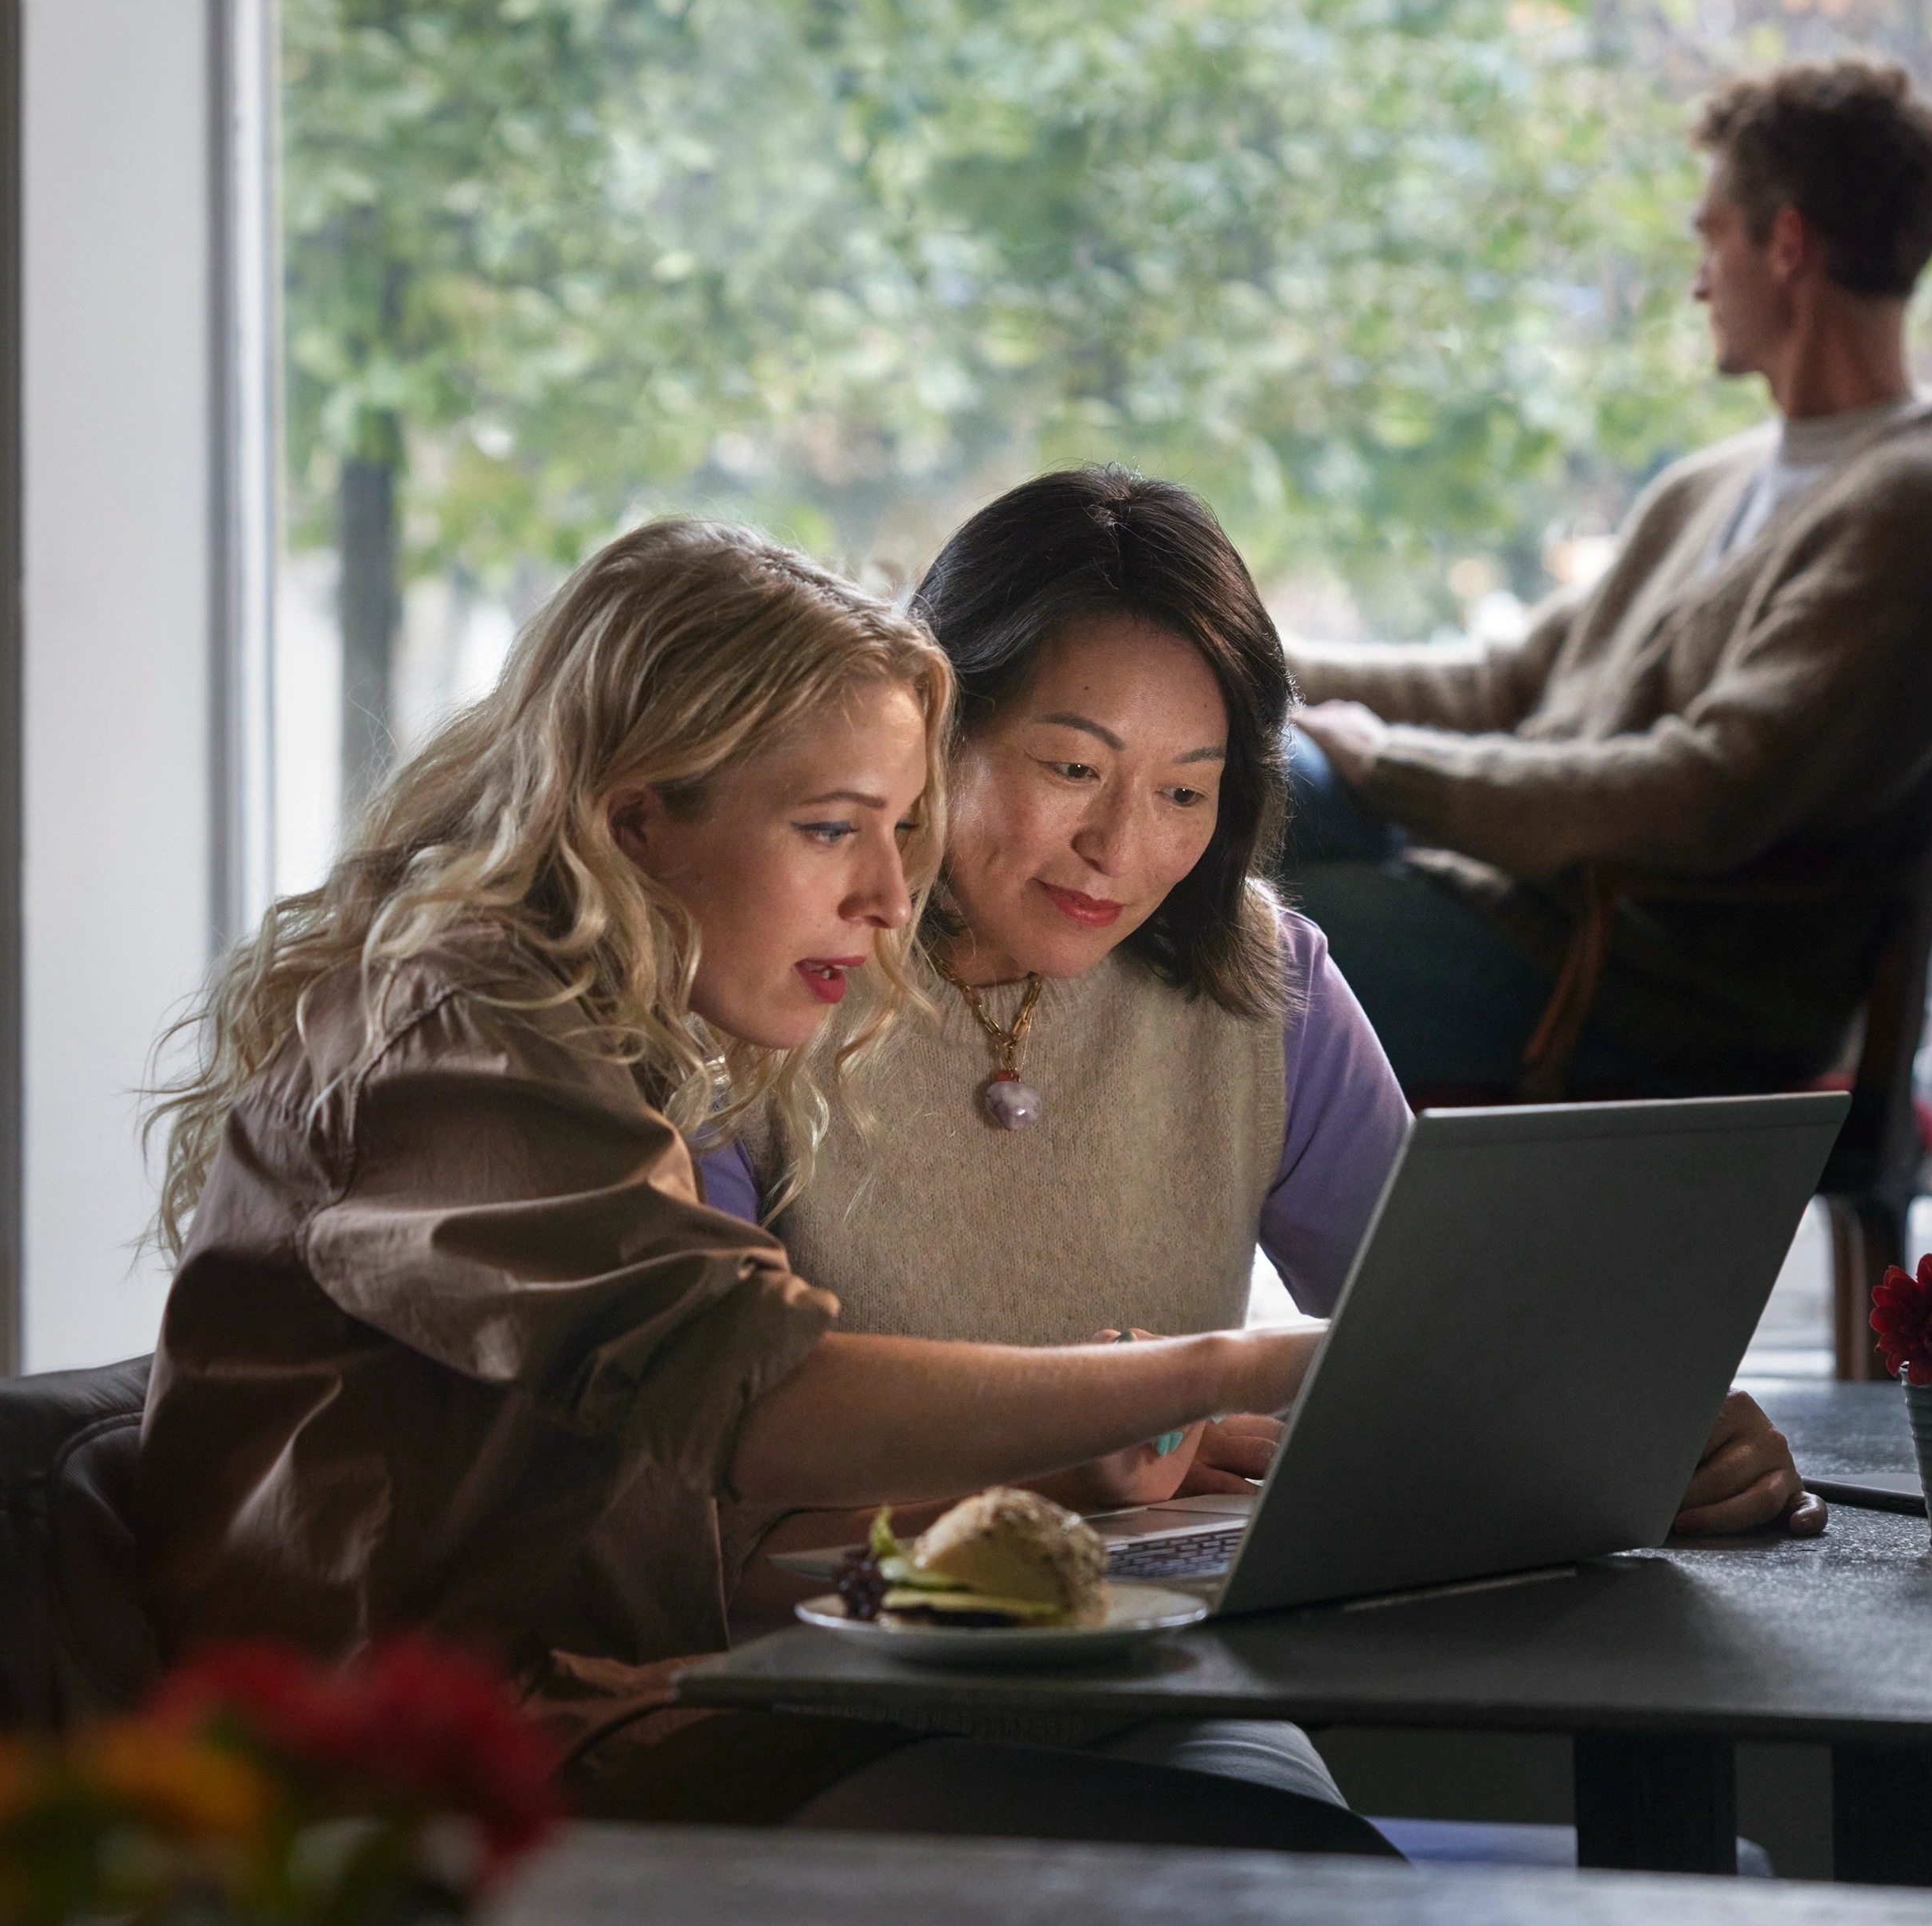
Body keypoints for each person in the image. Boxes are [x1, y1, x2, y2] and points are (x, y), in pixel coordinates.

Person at [135, 517, 1323, 1826]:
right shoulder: (454, 1038)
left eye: (903, 831)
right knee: (1233, 1855)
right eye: (831, 829)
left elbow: (696, 1533)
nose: (888, 898)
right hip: (451, 1788)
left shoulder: (604, 1036)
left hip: (647, 1711)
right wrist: (1235, 1366)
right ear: (634, 820)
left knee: (1247, 1834)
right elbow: (758, 1402)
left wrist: (1061, 1492)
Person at [726, 473, 1818, 1811]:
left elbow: (1453, 1349)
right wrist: (1100, 1451)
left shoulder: (1263, 983)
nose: (1121, 849)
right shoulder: (774, 973)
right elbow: (711, 1474)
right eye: (1072, 768)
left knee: (1303, 1893)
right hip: (830, 1697)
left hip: (1167, 1695)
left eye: (1188, 792)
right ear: (931, 724)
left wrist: (1655, 1437)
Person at [1282, 59, 1932, 1097]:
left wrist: (1393, 769)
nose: (1696, 277)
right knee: (1236, 763)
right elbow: (1506, 683)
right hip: (1514, 908)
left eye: (1710, 234)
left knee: (1200, 931)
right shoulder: (1715, 481)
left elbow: (1707, 791)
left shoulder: (1926, 508)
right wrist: (1239, 656)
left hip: (1639, 988)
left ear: (1786, 244)